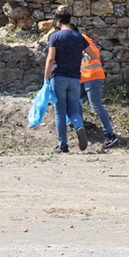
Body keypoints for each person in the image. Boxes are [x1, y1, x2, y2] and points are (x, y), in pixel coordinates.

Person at [45, 9, 93, 153]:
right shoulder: (79, 37)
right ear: (70, 21)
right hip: (75, 78)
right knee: (73, 109)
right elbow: (93, 55)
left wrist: (46, 77)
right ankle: (79, 126)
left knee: (60, 112)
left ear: (58, 22)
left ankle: (63, 145)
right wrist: (81, 55)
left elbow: (51, 58)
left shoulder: (55, 36)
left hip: (59, 77)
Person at [72, 25, 119, 149]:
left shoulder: (80, 39)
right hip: (87, 78)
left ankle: (110, 134)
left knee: (96, 105)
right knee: (74, 98)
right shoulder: (83, 39)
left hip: (92, 77)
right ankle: (80, 126)